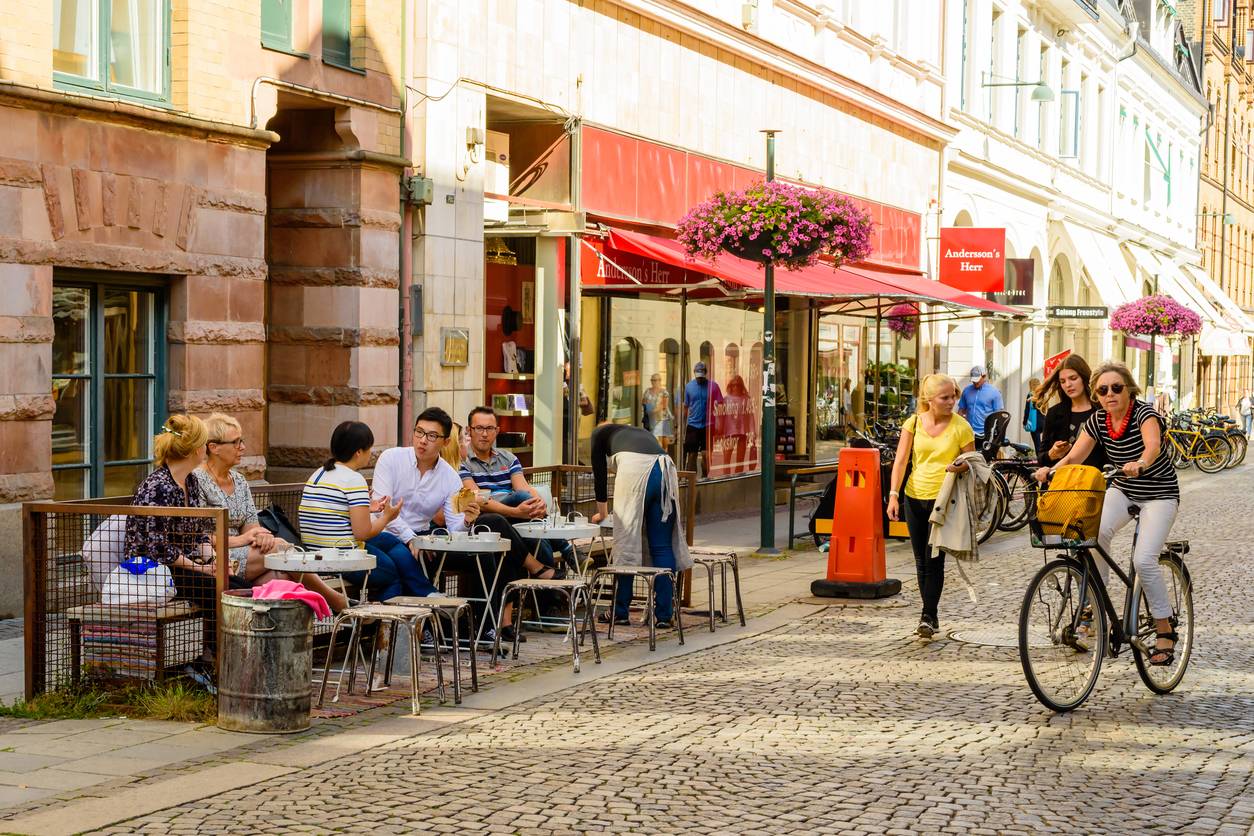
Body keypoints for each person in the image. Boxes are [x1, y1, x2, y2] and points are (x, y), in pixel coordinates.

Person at [1034, 361, 1180, 666]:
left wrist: (1140, 462)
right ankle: (1095, 602)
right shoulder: (1099, 420)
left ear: (1129, 389)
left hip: (1159, 494)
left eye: (1116, 387)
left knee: (1143, 559)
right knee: (1092, 533)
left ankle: (1164, 626)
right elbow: (1077, 454)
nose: (1110, 394)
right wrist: (1051, 470)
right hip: (1124, 489)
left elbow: (1152, 445)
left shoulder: (1144, 413)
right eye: (1102, 390)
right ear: (1096, 394)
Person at [372, 407, 554, 642]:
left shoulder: (450, 476)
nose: (422, 441)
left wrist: (468, 520)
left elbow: (455, 527)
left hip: (427, 540)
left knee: (484, 554)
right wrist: (409, 538)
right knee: (407, 554)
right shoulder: (391, 458)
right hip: (388, 535)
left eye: (431, 436)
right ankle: (433, 616)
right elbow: (384, 511)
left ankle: (485, 628)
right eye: (419, 432)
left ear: (445, 441)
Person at [124, 414, 249, 665]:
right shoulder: (158, 486)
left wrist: (212, 559)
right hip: (151, 570)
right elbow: (156, 548)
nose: (206, 449)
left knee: (236, 583)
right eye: (204, 443)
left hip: (179, 564)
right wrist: (202, 567)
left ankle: (222, 657)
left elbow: (197, 532)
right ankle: (214, 661)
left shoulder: (189, 481)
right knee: (221, 591)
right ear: (195, 449)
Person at [194, 413, 347, 611]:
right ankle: (334, 600)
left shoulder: (239, 480)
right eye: (235, 442)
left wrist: (261, 536)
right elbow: (196, 537)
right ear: (213, 447)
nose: (243, 447)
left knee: (283, 576)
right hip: (215, 558)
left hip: (247, 554)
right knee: (282, 548)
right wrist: (245, 539)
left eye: (242, 441)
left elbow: (252, 526)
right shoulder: (197, 480)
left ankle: (273, 637)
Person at [298, 420, 437, 601]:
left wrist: (367, 507)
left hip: (316, 550)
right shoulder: (354, 479)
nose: (370, 454)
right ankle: (381, 624)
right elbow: (363, 532)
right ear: (358, 452)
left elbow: (335, 510)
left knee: (391, 541)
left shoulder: (319, 473)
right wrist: (387, 516)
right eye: (369, 449)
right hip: (343, 556)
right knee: (393, 575)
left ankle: (426, 592)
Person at [885, 375, 977, 639]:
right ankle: (929, 614)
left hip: (944, 500)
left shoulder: (961, 427)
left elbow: (971, 462)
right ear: (929, 400)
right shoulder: (913, 423)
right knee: (920, 560)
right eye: (945, 397)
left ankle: (929, 614)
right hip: (914, 496)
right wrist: (893, 495)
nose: (951, 402)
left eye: (953, 396)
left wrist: (963, 465)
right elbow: (901, 462)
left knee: (934, 559)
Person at [588, 423, 691, 628]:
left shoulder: (598, 434)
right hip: (664, 468)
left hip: (634, 470)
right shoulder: (638, 431)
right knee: (662, 546)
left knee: (626, 544)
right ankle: (664, 614)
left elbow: (599, 476)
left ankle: (620, 612)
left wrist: (602, 513)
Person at [1035, 354, 1103, 470]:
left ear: (1084, 378)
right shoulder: (1054, 413)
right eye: (1062, 381)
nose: (1068, 385)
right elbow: (1041, 459)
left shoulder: (1101, 411)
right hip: (1062, 482)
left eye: (1073, 378)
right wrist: (1052, 454)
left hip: (1094, 482)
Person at [682, 361, 723, 477]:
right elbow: (686, 406)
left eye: (702, 376)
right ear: (695, 374)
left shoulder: (713, 386)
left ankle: (705, 478)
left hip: (708, 425)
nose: (700, 379)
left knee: (706, 454)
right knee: (692, 455)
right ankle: (692, 480)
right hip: (693, 425)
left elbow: (720, 405)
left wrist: (719, 422)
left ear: (706, 373)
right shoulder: (689, 386)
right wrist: (682, 424)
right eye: (698, 376)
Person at [958, 365, 1004, 448]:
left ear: (984, 376)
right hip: (969, 433)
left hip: (986, 434)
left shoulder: (994, 392)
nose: (975, 383)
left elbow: (999, 415)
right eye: (973, 381)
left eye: (977, 380)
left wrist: (998, 437)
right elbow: (961, 410)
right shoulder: (967, 390)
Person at [643, 374, 675, 451]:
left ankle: (664, 454)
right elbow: (644, 401)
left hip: (661, 418)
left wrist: (653, 410)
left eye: (656, 380)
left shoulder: (664, 392)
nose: (654, 382)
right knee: (656, 440)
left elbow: (664, 405)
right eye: (652, 380)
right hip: (650, 418)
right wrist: (648, 408)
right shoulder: (647, 391)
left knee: (663, 440)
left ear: (660, 381)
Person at [1022, 377, 1043, 454]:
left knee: (1037, 445)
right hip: (1043, 422)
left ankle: (1040, 462)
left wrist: (1024, 422)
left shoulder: (1030, 395)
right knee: (1044, 445)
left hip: (1035, 423)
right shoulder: (1042, 395)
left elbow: (1027, 410)